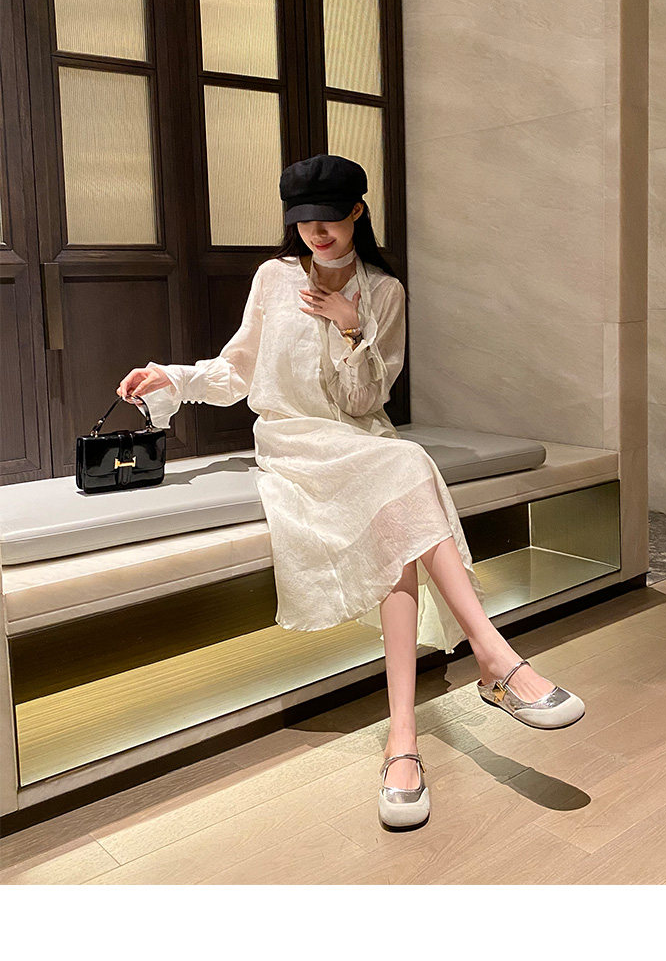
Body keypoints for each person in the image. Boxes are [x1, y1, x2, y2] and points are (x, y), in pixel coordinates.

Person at [118, 153, 584, 830]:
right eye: (304, 222)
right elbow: (237, 370)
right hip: (293, 441)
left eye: (330, 220)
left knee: (398, 498)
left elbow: (367, 400)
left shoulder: (383, 290)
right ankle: (493, 660)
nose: (317, 233)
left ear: (358, 212)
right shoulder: (273, 278)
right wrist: (172, 378)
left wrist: (350, 326)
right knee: (406, 470)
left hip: (359, 437)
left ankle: (405, 739)